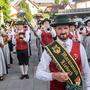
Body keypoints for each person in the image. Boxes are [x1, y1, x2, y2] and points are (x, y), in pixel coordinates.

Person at [36, 15, 90, 90]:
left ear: (69, 29)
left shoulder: (79, 47)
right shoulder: (49, 49)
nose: (63, 31)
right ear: (55, 29)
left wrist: (88, 87)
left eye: (65, 28)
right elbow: (38, 73)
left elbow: (86, 69)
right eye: (59, 28)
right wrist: (54, 76)